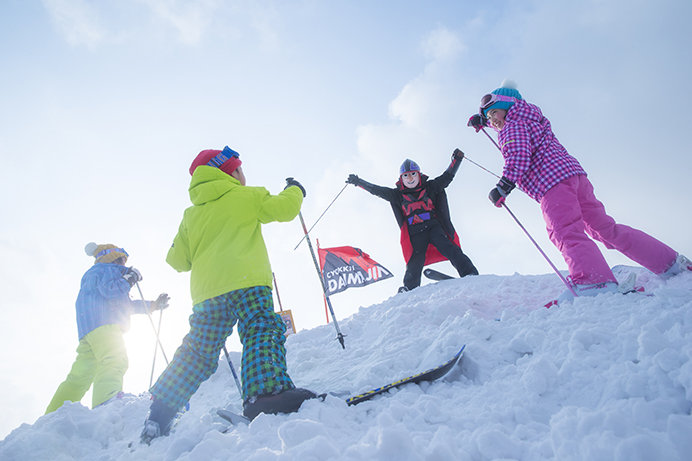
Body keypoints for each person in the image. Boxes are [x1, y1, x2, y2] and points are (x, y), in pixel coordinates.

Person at [141, 146, 316, 444]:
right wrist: (295, 189)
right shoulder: (247, 196)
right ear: (232, 171)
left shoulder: (191, 215)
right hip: (247, 281)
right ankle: (265, 393)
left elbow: (178, 261)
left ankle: (160, 412)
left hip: (208, 294)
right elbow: (285, 209)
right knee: (260, 328)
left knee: (198, 350)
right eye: (240, 169)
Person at [468, 80, 692, 303]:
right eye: (488, 118)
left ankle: (593, 282)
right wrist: (485, 121)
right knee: (605, 228)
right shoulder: (531, 117)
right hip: (575, 177)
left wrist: (503, 186)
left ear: (508, 106)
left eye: (494, 113)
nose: (493, 120)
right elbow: (513, 128)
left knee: (565, 230)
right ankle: (670, 263)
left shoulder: (512, 126)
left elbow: (518, 155)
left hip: (552, 183)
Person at [45, 243, 169, 414]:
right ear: (114, 257)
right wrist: (129, 279)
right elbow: (111, 290)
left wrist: (153, 305)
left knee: (80, 375)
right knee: (115, 359)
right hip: (106, 324)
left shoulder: (94, 275)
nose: (124, 264)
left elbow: (125, 305)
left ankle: (54, 413)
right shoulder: (107, 269)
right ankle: (106, 401)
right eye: (122, 260)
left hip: (88, 329)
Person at [346, 150, 478, 292]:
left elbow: (447, 177)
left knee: (450, 249)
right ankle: (410, 287)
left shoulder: (430, 187)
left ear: (419, 175)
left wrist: (456, 160)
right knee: (415, 261)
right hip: (415, 233)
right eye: (406, 176)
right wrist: (358, 182)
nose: (410, 178)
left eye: (413, 174)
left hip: (434, 227)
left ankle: (469, 273)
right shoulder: (397, 195)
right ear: (401, 178)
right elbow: (377, 190)